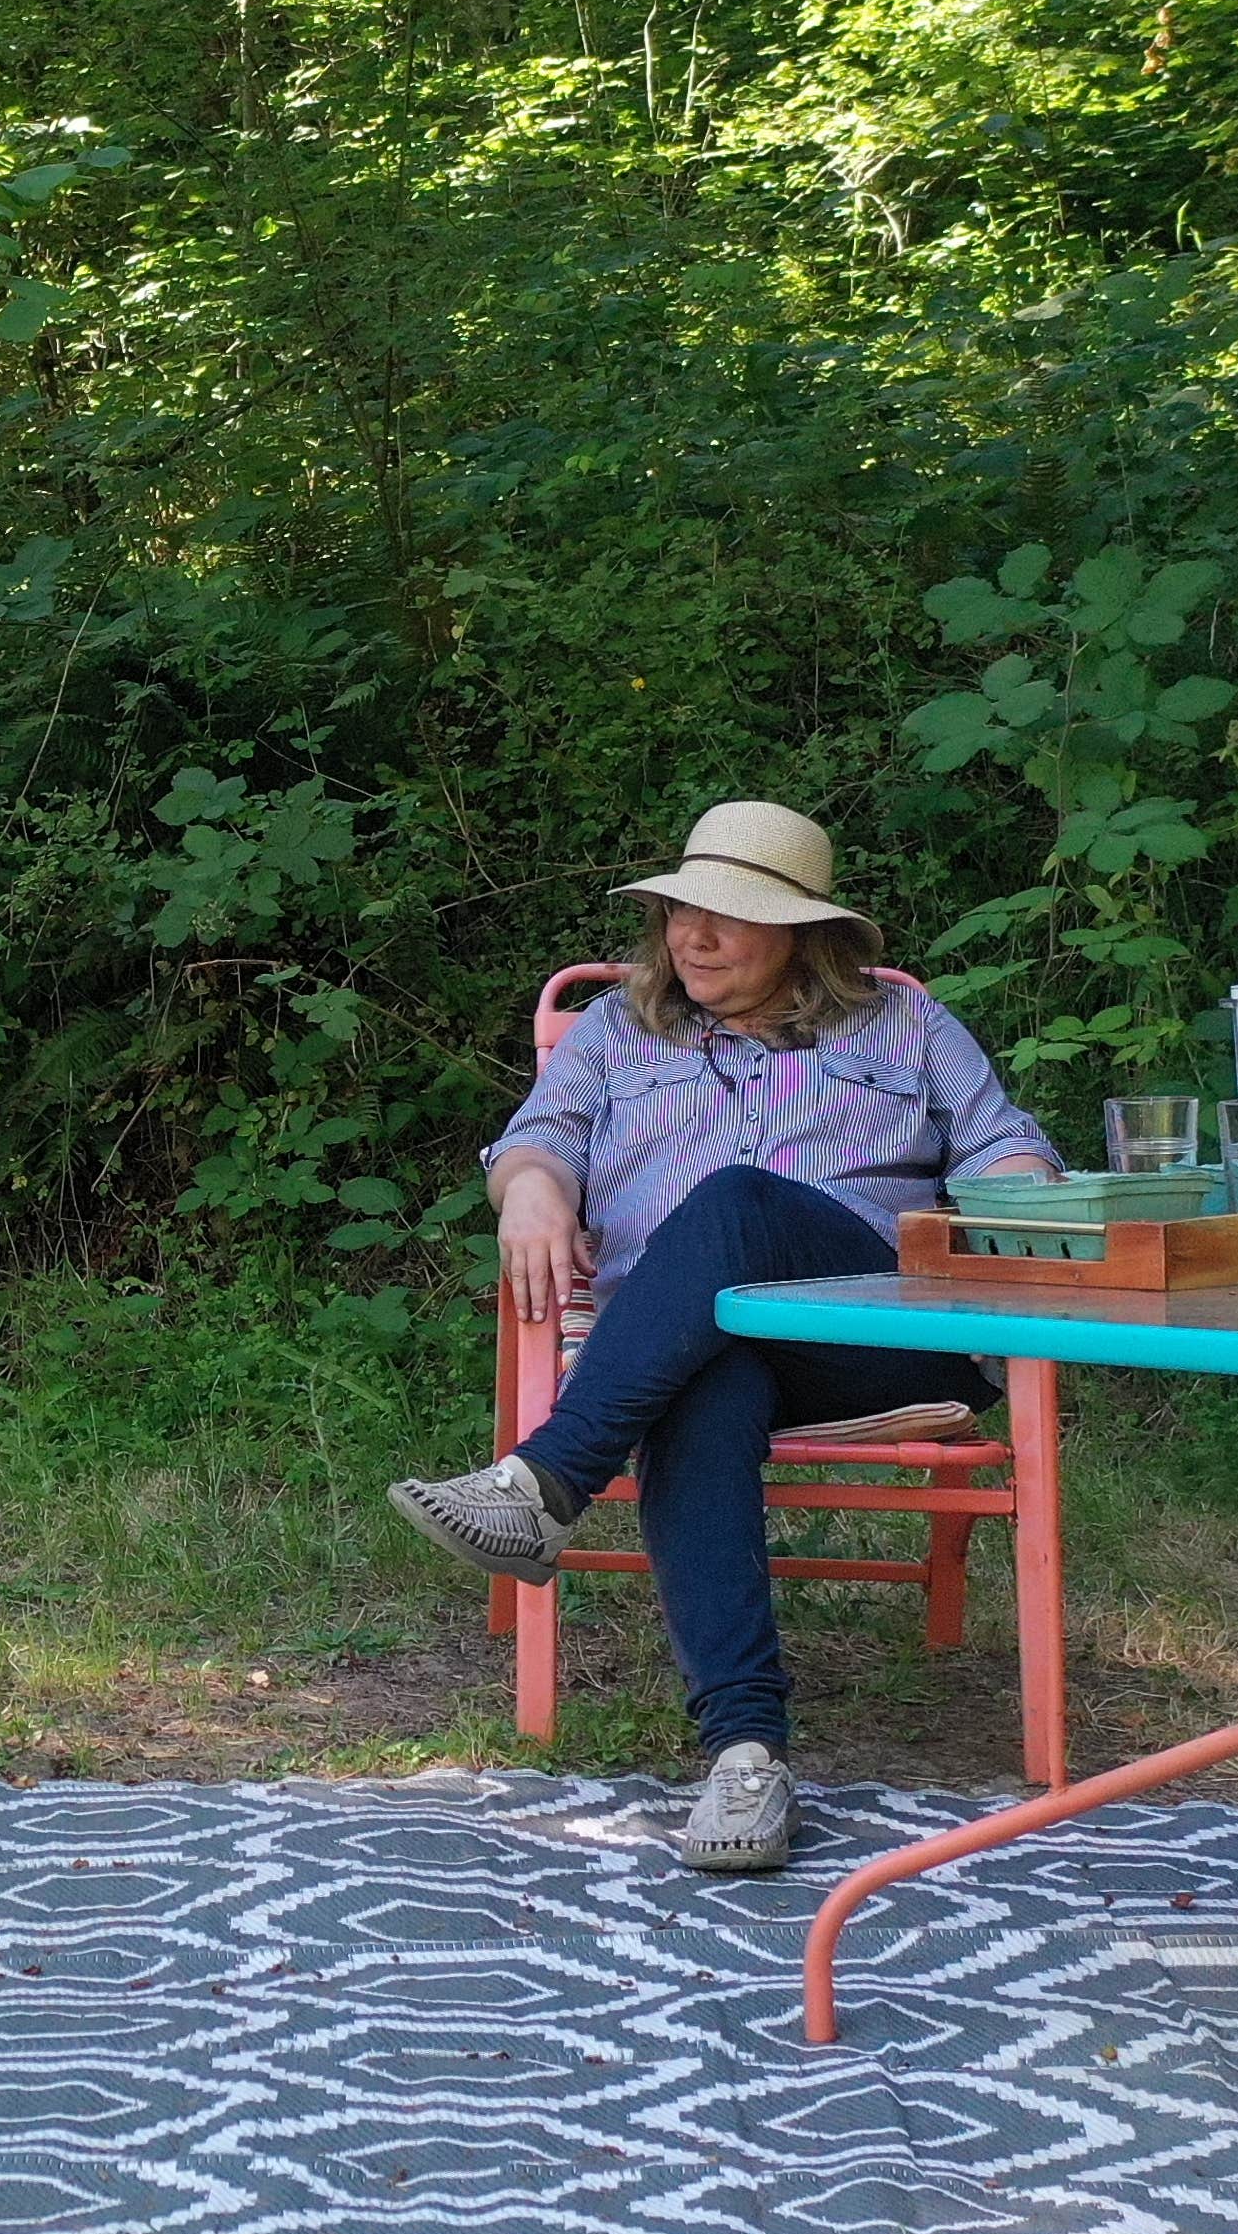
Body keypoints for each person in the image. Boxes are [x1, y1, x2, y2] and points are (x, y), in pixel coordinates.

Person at [393, 799, 1062, 1874]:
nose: (692, 939)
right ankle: (746, 1753)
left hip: (879, 1338)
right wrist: (527, 1192)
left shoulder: (910, 1028)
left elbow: (1003, 1154)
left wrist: (1016, 1199)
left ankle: (552, 1479)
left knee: (734, 1201)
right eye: (678, 915)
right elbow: (542, 1138)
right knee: (704, 1381)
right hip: (690, 1344)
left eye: (728, 919)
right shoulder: (617, 1032)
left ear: (804, 931)